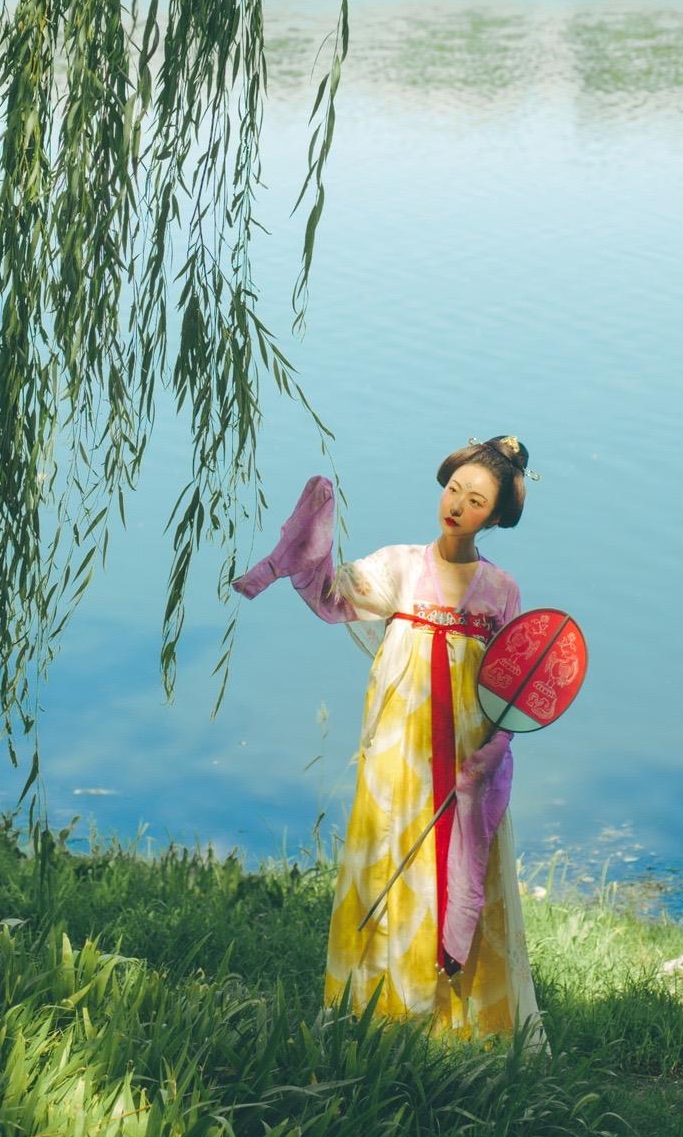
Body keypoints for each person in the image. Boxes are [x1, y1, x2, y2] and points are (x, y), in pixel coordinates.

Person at [233, 434, 547, 1049]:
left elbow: (517, 680)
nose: (457, 506)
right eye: (454, 490)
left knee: (463, 867)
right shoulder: (400, 567)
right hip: (398, 753)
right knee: (388, 855)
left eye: (476, 501)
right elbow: (330, 594)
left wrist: (494, 749)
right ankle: (379, 1012)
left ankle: (465, 1024)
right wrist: (314, 529)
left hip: (466, 757)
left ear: (496, 517)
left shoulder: (500, 590)